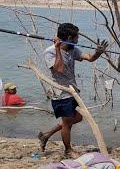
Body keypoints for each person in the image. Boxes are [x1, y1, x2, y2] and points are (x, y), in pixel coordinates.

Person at [39, 23, 108, 158]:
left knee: (77, 118)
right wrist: (58, 49)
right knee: (67, 124)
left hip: (72, 91)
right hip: (60, 93)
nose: (78, 40)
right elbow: (59, 69)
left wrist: (98, 52)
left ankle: (46, 135)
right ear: (69, 38)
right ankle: (68, 150)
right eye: (76, 37)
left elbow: (90, 58)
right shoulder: (50, 52)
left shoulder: (72, 49)